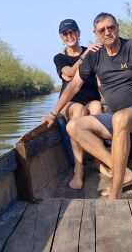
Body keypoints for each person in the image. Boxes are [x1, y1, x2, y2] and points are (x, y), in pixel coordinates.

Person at [40, 13, 132, 199]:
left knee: (120, 117)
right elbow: (74, 85)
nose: (107, 32)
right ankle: (120, 170)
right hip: (115, 117)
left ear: (117, 27)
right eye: (102, 30)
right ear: (95, 33)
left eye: (111, 27)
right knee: (73, 126)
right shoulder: (94, 55)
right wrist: (53, 113)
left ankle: (115, 193)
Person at [51, 19, 104, 168]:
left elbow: (99, 81)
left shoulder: (92, 53)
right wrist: (85, 55)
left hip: (90, 99)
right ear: (61, 37)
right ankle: (78, 169)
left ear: (78, 33)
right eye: (65, 33)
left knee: (97, 107)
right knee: (79, 110)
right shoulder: (60, 58)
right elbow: (69, 73)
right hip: (69, 103)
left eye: (72, 32)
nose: (69, 36)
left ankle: (98, 161)